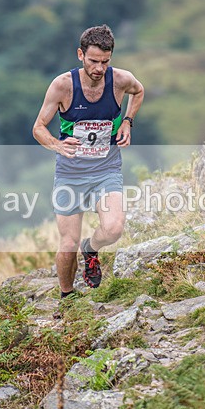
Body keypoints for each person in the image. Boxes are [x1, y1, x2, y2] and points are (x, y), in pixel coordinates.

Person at [32, 25, 144, 311]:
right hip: (70, 173)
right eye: (93, 61)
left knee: (114, 228)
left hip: (107, 168)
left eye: (105, 62)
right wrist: (57, 146)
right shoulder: (63, 85)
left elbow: (139, 91)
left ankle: (91, 249)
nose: (99, 68)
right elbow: (38, 129)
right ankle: (68, 297)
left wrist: (128, 121)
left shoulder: (120, 80)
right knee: (67, 243)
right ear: (80, 54)